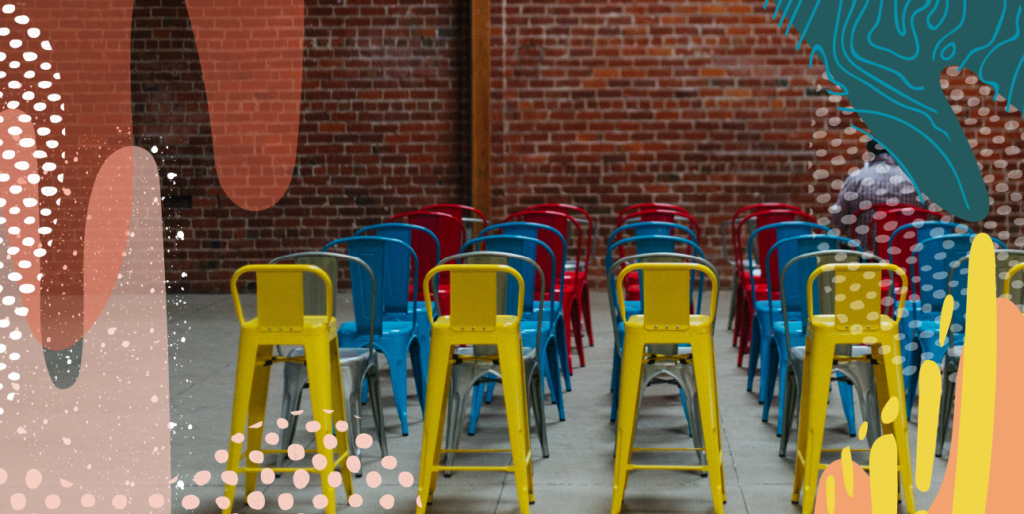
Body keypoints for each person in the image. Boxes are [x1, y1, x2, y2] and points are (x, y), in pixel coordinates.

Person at [829, 140, 931, 249]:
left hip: (866, 260)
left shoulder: (855, 179)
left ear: (869, 153)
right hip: (907, 259)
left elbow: (839, 221)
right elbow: (929, 218)